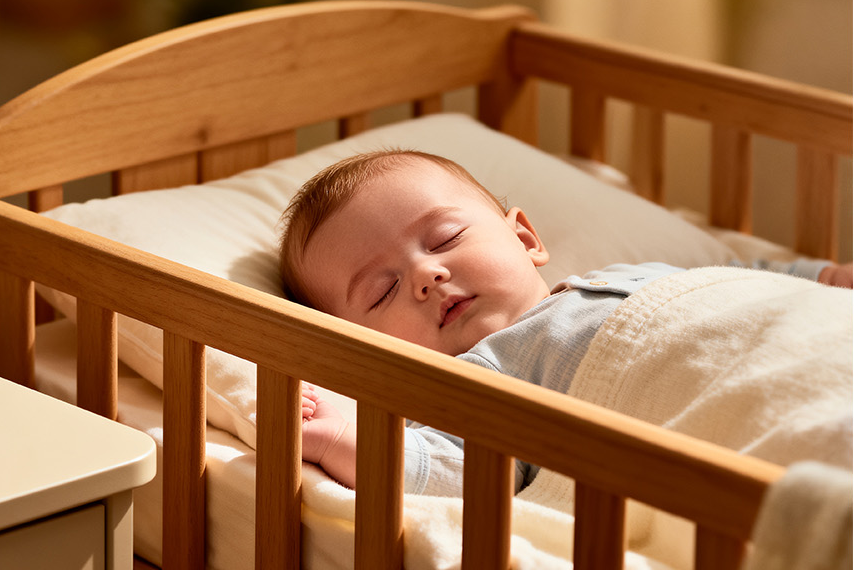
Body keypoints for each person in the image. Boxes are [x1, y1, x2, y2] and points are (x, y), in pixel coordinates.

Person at [278, 149, 852, 494]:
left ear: (525, 238)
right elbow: (469, 474)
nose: (426, 275)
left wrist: (827, 277)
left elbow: (737, 278)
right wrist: (347, 440)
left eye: (445, 238)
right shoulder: (474, 381)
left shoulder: (627, 274)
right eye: (383, 292)